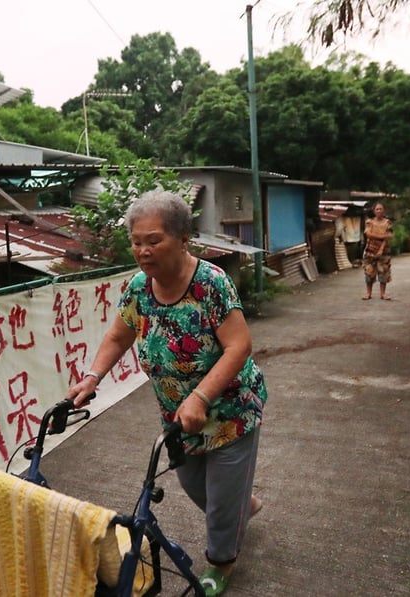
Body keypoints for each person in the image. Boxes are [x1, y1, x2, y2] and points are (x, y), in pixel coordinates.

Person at [67, 189, 267, 597]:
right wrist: (92, 377)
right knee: (197, 487)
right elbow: (118, 336)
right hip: (178, 417)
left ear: (183, 239)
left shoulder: (211, 283)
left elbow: (239, 345)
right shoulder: (139, 288)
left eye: (154, 240)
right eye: (136, 241)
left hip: (230, 411)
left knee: (220, 505)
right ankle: (241, 505)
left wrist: (201, 397)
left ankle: (221, 563)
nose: (143, 251)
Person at [361, 202, 394, 300]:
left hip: (384, 252)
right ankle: (368, 293)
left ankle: (383, 294)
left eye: (381, 209)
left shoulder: (387, 222)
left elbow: (389, 236)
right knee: (369, 272)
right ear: (374, 211)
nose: (379, 211)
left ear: (383, 210)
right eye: (377, 209)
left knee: (383, 272)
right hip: (370, 251)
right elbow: (368, 234)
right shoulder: (369, 222)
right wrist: (383, 236)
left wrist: (381, 249)